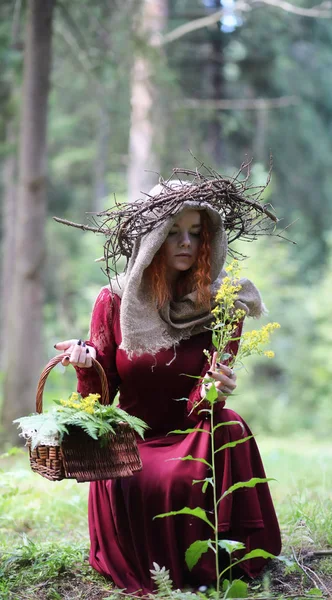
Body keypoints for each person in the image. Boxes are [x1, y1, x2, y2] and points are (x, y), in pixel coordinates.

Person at [55, 182, 281, 595]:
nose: (186, 242)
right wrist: (85, 366)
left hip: (192, 431)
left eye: (196, 232)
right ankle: (164, 567)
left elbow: (205, 404)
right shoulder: (115, 300)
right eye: (174, 231)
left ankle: (227, 561)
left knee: (230, 427)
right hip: (132, 440)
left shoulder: (224, 304)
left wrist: (216, 390)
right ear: (153, 237)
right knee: (157, 477)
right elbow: (100, 401)